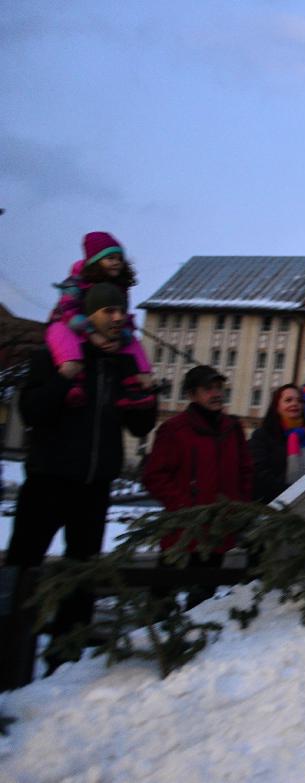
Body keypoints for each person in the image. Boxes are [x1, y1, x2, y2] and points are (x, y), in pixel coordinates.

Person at [6, 283, 158, 671]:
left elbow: (140, 427)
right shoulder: (56, 355)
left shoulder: (122, 363)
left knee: (83, 571)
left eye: (121, 311)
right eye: (108, 311)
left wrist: (147, 394)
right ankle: (8, 650)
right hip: (48, 480)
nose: (118, 317)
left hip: (94, 486)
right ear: (88, 315)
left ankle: (67, 657)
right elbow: (32, 410)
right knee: (24, 566)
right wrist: (62, 379)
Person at [142, 365, 253, 608]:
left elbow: (245, 471)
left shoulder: (232, 429)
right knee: (161, 599)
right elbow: (154, 476)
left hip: (218, 533)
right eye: (208, 389)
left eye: (218, 388)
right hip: (181, 534)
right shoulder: (174, 430)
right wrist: (184, 507)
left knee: (203, 603)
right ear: (192, 394)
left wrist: (239, 505)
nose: (216, 394)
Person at [46, 231, 154, 404]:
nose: (116, 263)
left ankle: (136, 384)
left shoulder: (120, 286)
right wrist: (91, 333)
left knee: (133, 343)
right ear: (95, 261)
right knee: (66, 342)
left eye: (119, 258)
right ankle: (74, 381)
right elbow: (68, 311)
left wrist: (122, 337)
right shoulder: (76, 281)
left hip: (104, 328)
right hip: (70, 324)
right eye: (110, 258)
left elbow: (123, 317)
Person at [249, 384, 305, 503]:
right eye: (288, 400)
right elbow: (259, 474)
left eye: (299, 401)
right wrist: (290, 493)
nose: (295, 404)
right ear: (277, 407)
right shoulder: (262, 436)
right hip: (272, 505)